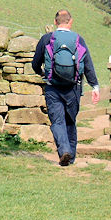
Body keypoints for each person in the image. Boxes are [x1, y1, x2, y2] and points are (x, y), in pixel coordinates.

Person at [32, 10, 100, 166]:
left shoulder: (46, 39)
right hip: (73, 88)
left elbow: (35, 63)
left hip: (52, 87)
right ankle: (71, 158)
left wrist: (42, 73)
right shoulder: (78, 40)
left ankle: (64, 151)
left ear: (55, 22)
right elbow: (88, 65)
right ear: (71, 22)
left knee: (57, 122)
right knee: (70, 121)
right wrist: (95, 86)